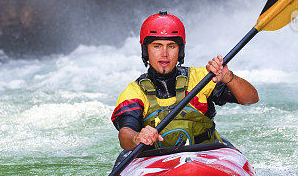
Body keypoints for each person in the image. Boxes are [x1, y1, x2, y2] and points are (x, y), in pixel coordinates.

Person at [111, 11, 259, 151]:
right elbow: (125, 135)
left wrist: (229, 78)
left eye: (171, 46)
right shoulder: (134, 92)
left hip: (205, 155)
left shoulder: (202, 78)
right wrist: (137, 137)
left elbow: (251, 99)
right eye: (157, 46)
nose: (164, 54)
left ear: (180, 50)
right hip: (158, 162)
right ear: (146, 50)